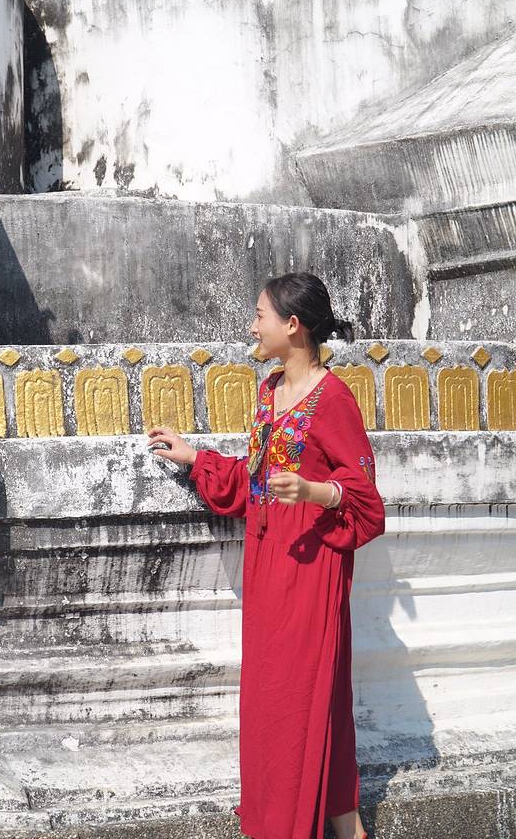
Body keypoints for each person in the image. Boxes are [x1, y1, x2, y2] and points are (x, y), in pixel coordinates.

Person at [147, 272, 386, 839]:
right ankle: (347, 828)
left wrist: (313, 490)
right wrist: (195, 457)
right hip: (268, 566)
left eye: (260, 315)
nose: (253, 326)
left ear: (292, 324)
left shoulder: (333, 400)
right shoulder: (269, 390)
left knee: (295, 703)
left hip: (310, 571)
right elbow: (253, 483)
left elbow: (366, 503)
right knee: (283, 706)